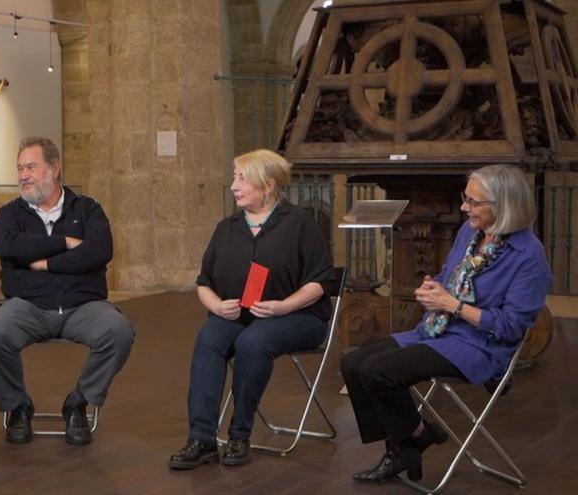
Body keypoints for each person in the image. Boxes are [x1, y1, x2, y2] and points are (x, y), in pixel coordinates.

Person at [341, 164, 552, 483]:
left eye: (473, 202)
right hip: (440, 329)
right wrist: (434, 287)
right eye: (464, 198)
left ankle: (404, 447)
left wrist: (452, 304)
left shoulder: (529, 256)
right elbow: (449, 275)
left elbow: (510, 326)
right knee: (354, 362)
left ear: (503, 204)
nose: (464, 207)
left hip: (480, 347)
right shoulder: (471, 231)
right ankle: (414, 437)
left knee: (379, 370)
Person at [169, 149, 336, 470]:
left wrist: (284, 305)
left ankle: (239, 434)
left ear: (268, 185)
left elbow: (320, 282)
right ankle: (201, 439)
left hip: (299, 317)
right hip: (238, 315)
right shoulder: (227, 228)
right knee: (209, 339)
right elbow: (203, 282)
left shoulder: (301, 224)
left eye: (241, 178)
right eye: (234, 177)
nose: (233, 185)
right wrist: (217, 305)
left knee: (253, 342)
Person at [0, 136, 135, 445]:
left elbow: (99, 251)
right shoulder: (11, 214)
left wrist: (43, 264)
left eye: (31, 167)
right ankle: (17, 406)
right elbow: (9, 247)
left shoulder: (87, 209)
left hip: (83, 305)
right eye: (20, 168)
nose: (23, 175)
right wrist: (63, 243)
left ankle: (79, 402)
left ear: (55, 168)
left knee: (119, 332)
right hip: (28, 305)